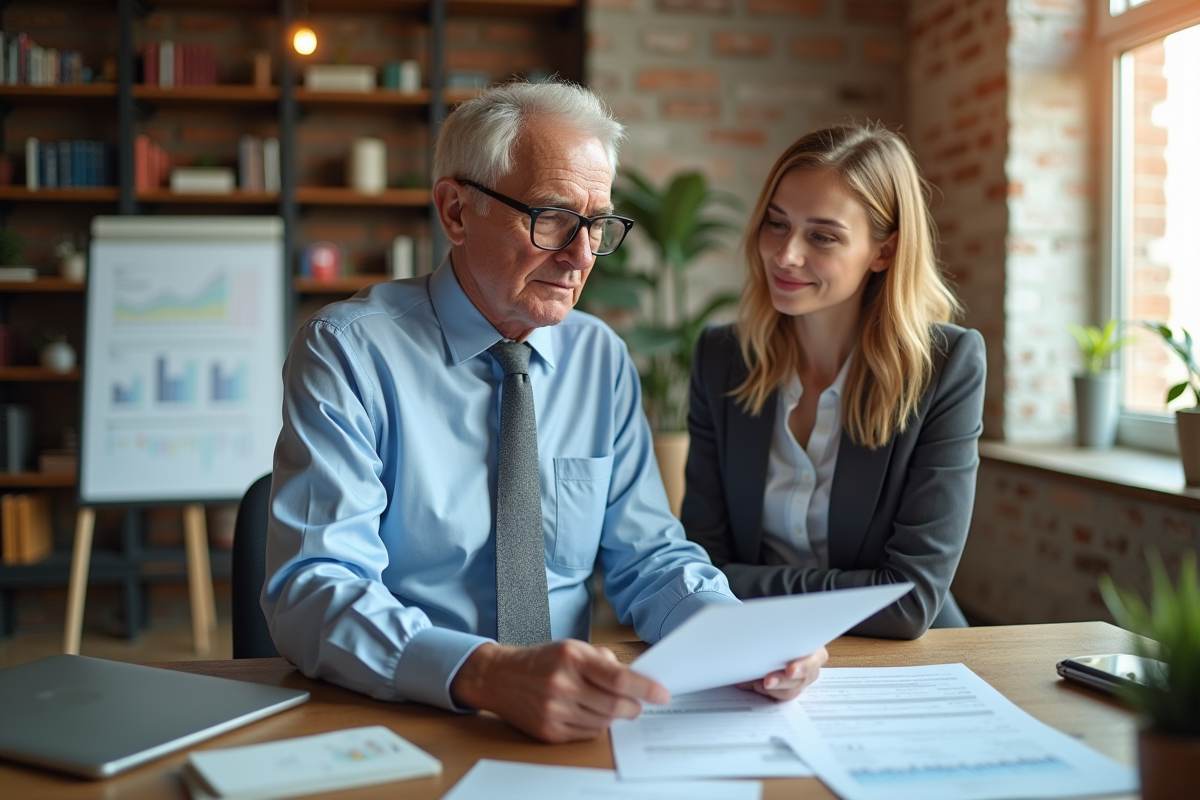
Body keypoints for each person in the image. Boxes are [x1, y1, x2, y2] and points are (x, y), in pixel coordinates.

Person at [261, 81, 827, 744]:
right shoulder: (349, 351)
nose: (582, 255)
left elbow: (649, 558)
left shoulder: (599, 357)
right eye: (553, 217)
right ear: (456, 212)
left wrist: (736, 635)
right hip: (399, 716)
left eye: (598, 225)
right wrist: (483, 673)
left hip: (572, 726)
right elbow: (313, 588)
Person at [683, 123, 986, 640]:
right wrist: (856, 588)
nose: (786, 254)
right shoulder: (722, 358)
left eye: (822, 236)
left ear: (884, 252)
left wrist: (741, 585)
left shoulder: (945, 366)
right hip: (756, 652)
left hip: (904, 662)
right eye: (776, 224)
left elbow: (909, 601)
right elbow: (699, 570)